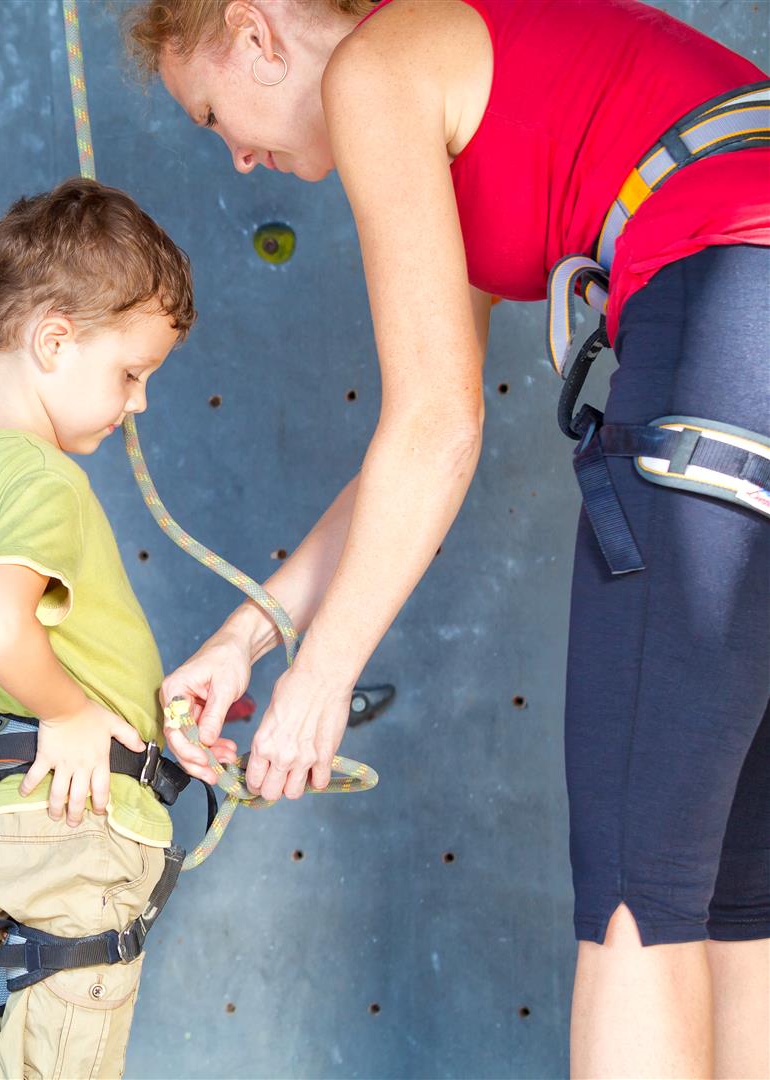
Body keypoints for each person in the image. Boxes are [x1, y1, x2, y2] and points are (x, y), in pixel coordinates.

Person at [120, 0, 769, 1074]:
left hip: (729, 319)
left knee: (634, 906)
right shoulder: (465, 73)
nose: (236, 157)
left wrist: (320, 680)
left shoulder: (376, 68)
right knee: (738, 906)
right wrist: (250, 638)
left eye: (212, 115)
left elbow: (437, 430)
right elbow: (413, 451)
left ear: (257, 32)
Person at [0, 176, 199, 1078]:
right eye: (130, 374)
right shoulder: (43, 479)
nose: (137, 402)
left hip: (16, 820)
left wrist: (32, 678)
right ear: (54, 340)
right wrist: (62, 711)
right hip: (77, 822)